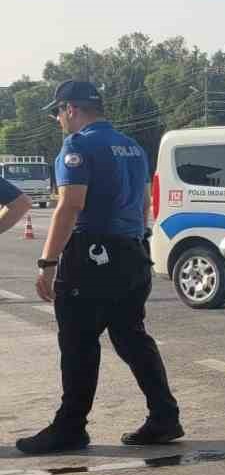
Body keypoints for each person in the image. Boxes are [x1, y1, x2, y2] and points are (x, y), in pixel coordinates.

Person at [17, 81, 183, 454]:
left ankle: (71, 427)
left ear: (71, 109)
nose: (58, 120)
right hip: (132, 251)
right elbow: (142, 205)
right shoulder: (133, 147)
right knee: (130, 336)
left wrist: (48, 262)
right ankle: (164, 415)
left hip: (91, 255)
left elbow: (71, 204)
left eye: (57, 112)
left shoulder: (77, 146)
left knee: (77, 341)